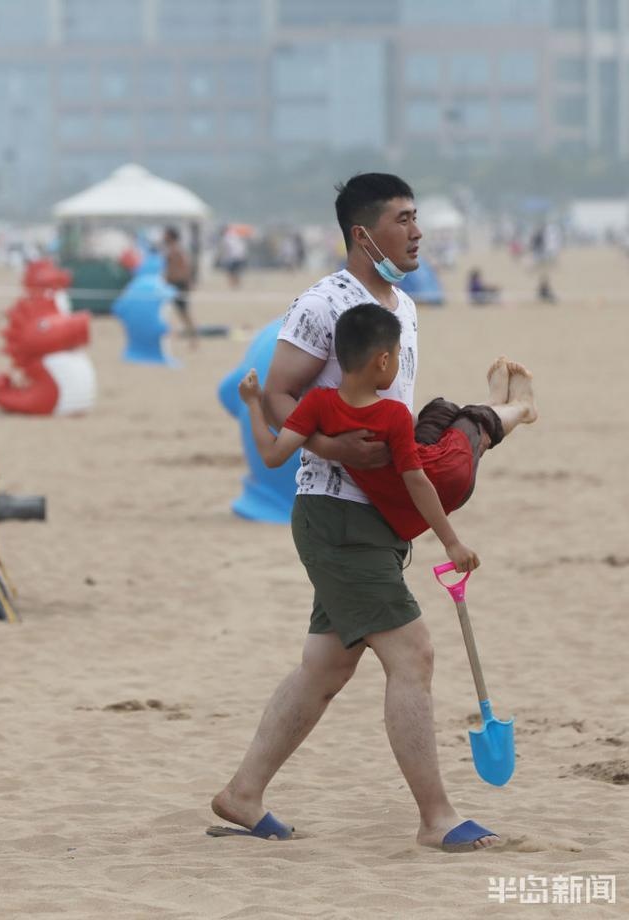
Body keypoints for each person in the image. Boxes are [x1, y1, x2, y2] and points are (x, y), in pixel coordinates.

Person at [208, 173, 518, 851]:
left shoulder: (403, 308)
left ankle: (243, 792)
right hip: (333, 508)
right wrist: (331, 444)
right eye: (403, 219)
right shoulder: (321, 304)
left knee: (326, 666)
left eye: (417, 219)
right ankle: (437, 819)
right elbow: (281, 394)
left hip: (375, 510)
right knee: (414, 653)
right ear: (362, 233)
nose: (417, 232)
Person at [237, 306, 535, 555]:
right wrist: (452, 543)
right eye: (396, 355)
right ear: (383, 361)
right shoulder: (393, 415)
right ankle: (520, 408)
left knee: (440, 410)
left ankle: (494, 405)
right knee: (472, 425)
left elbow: (272, 455)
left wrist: (253, 403)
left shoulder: (317, 403)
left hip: (418, 464)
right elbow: (418, 482)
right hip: (445, 476)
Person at [163, 226, 196, 339]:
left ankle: (193, 337)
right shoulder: (173, 249)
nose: (164, 237)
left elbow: (183, 267)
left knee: (184, 312)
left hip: (178, 284)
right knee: (179, 312)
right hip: (174, 283)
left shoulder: (175, 250)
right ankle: (192, 336)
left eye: (166, 234)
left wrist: (187, 282)